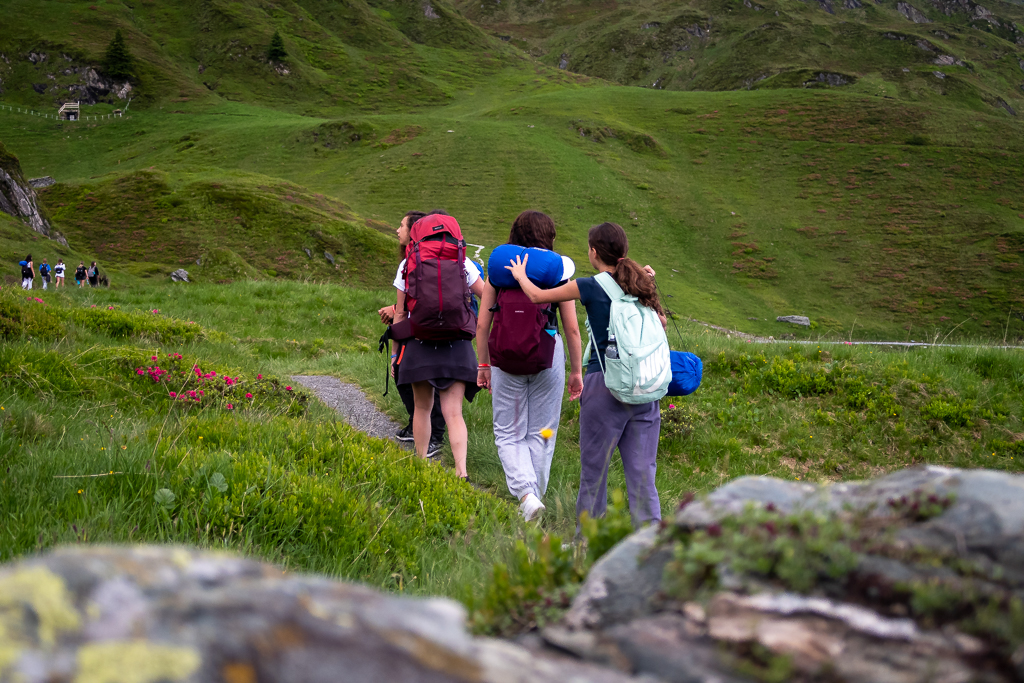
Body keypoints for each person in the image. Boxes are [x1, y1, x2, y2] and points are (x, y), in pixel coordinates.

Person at [507, 221, 664, 526]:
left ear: (593, 252)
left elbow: (539, 297)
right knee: (643, 472)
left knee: (595, 470)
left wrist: (520, 276)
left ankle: (586, 545)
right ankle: (652, 543)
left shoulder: (590, 285)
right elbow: (661, 323)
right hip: (646, 387)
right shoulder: (641, 282)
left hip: (605, 385)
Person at [476, 211, 583, 520]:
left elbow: (483, 325)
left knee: (508, 433)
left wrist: (483, 364)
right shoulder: (555, 271)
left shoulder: (500, 269)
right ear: (549, 237)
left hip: (505, 356)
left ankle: (526, 496)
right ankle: (533, 497)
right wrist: (576, 372)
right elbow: (573, 329)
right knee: (543, 431)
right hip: (548, 355)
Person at [393, 210, 484, 480]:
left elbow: (400, 314)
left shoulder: (408, 263)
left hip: (419, 341)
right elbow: (486, 293)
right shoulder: (462, 261)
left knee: (422, 408)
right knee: (453, 412)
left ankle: (421, 466)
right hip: (457, 342)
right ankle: (461, 472)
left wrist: (397, 354)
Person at [378, 210, 446, 457]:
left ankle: (434, 435)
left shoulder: (412, 261)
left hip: (417, 330)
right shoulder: (440, 258)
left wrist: (395, 351)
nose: (397, 230)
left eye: (402, 226)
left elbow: (408, 308)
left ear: (414, 230)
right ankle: (422, 428)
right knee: (423, 381)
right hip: (444, 328)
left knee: (416, 379)